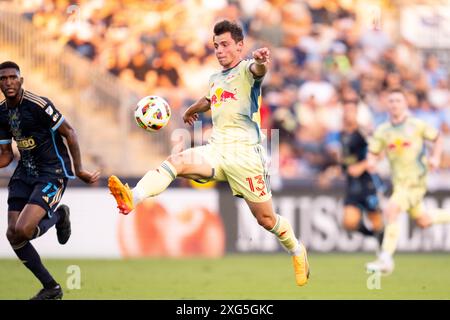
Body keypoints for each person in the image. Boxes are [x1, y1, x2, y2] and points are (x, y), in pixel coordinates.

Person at [108, 20, 310, 286]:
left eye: (225, 45)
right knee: (177, 161)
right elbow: (211, 98)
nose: (219, 50)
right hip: (216, 150)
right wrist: (192, 109)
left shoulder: (247, 70)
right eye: (216, 46)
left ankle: (296, 249)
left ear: (240, 46)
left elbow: (258, 69)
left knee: (266, 219)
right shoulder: (216, 78)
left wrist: (260, 60)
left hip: (245, 156)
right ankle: (132, 196)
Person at [0, 61, 100, 299]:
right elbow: (5, 156)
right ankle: (51, 288)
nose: (8, 82)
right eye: (3, 79)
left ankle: (58, 216)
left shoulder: (39, 105)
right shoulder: (1, 113)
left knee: (23, 229)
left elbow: (70, 133)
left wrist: (80, 169)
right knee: (13, 234)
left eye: (13, 77)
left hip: (51, 172)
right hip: (24, 173)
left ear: (21, 80)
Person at [366, 88, 450, 275]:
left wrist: (435, 158)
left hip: (415, 181)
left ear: (405, 104)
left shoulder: (417, 125)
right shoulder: (383, 130)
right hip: (399, 183)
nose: (395, 104)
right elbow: (373, 152)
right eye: (391, 101)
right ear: (387, 105)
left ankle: (386, 259)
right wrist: (372, 161)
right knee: (423, 220)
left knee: (391, 209)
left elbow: (437, 139)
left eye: (398, 100)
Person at [326, 99, 384, 244]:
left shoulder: (363, 132)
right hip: (352, 185)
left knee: (377, 220)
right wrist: (331, 172)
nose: (347, 115)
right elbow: (346, 162)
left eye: (350, 111)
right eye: (345, 111)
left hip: (368, 183)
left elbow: (379, 153)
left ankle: (384, 249)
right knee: (349, 223)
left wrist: (362, 166)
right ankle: (375, 236)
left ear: (356, 113)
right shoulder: (342, 135)